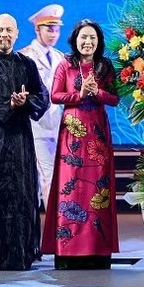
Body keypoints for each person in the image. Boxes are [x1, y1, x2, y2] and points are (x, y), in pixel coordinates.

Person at [0, 13, 50, 270]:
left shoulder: (27, 64)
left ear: (17, 34)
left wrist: (24, 103)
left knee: (20, 193)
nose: (4, 35)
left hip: (20, 139)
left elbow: (42, 96)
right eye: (0, 30)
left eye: (9, 30)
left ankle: (20, 254)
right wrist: (7, 104)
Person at [41, 19, 120, 270]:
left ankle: (98, 250)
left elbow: (115, 98)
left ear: (99, 42)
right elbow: (55, 96)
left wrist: (97, 93)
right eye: (83, 38)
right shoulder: (66, 65)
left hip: (97, 133)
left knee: (98, 189)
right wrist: (80, 95)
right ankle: (68, 251)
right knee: (71, 188)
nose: (88, 42)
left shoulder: (105, 66)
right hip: (72, 135)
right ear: (75, 40)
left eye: (93, 38)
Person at [19, 4, 65, 209]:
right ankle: (52, 228)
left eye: (56, 29)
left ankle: (50, 226)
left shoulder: (60, 57)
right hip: (34, 125)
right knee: (46, 175)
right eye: (49, 28)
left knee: (52, 175)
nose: (53, 33)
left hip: (58, 124)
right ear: (37, 29)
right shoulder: (24, 56)